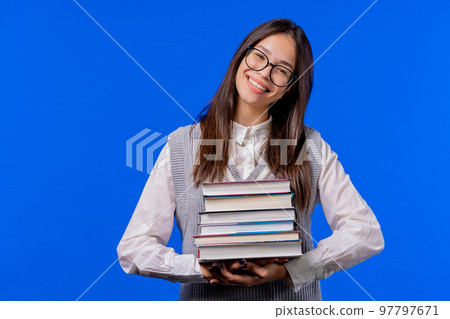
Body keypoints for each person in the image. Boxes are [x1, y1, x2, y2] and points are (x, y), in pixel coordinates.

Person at [116, 18, 384, 301]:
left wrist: (292, 271)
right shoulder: (181, 145)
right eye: (259, 56)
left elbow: (365, 233)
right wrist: (200, 269)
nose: (264, 73)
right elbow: (133, 248)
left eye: (281, 70)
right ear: (242, 55)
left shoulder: (311, 147)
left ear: (290, 86)